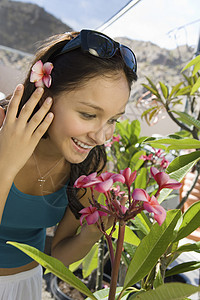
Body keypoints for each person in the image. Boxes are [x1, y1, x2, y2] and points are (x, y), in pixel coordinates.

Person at [0, 29, 137, 299]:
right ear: (44, 94)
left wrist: (91, 234)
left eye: (113, 120)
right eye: (88, 114)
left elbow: (58, 256)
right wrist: (6, 163)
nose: (101, 136)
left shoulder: (87, 166)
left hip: (25, 284)